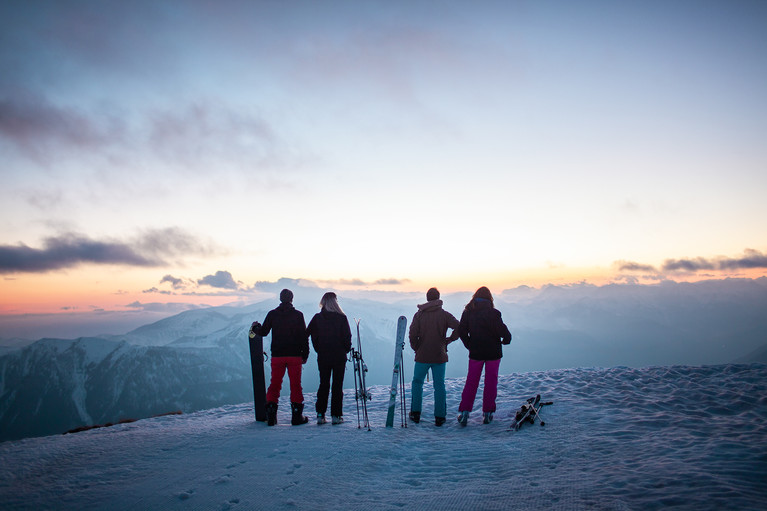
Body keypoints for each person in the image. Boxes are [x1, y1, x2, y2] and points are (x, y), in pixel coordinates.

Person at [252, 289, 310, 426]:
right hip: (295, 355)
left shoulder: (272, 314)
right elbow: (304, 337)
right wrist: (305, 354)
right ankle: (297, 416)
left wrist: (255, 328)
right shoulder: (298, 315)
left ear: (280, 299)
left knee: (275, 384)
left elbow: (264, 332)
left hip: (277, 356)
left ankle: (271, 415)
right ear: (292, 299)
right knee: (296, 385)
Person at [457, 286, 511, 425]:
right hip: (493, 352)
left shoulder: (468, 313)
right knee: (491, 382)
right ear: (489, 299)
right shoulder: (494, 313)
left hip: (476, 352)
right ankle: (487, 412)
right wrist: (506, 339)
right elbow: (502, 330)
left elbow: (462, 331)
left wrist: (470, 344)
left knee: (471, 381)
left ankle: (465, 412)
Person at [408, 287, 460, 427]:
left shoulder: (419, 315)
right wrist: (449, 340)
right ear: (438, 298)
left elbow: (412, 334)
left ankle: (415, 413)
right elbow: (459, 327)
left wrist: (416, 348)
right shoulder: (444, 315)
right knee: (439, 385)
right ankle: (440, 417)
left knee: (417, 383)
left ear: (427, 298)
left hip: (422, 356)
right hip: (439, 355)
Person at [306, 292, 352, 425]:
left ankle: (320, 415)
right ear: (335, 302)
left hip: (323, 356)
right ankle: (336, 416)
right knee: (337, 386)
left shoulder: (317, 318)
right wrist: (345, 349)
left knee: (323, 384)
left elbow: (307, 333)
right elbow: (347, 337)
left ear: (323, 302)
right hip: (339, 356)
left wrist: (317, 346)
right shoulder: (342, 318)